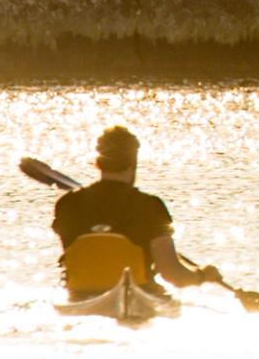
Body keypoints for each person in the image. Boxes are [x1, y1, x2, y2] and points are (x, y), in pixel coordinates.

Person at [50, 126, 223, 297]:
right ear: (133, 163)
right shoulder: (151, 206)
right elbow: (173, 275)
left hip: (79, 295)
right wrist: (202, 275)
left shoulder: (67, 204)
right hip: (139, 294)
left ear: (97, 163)